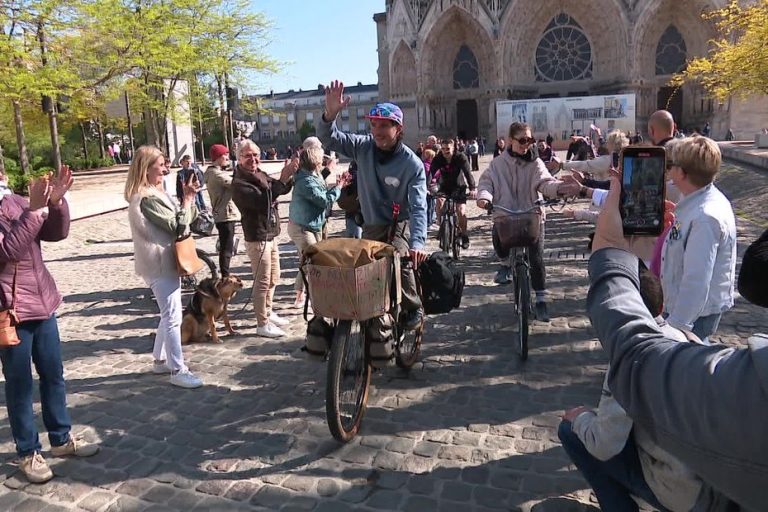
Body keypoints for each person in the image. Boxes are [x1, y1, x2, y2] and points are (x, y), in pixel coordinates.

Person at [586, 177, 768, 511]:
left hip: (687, 492)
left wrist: (610, 253)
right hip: (669, 317)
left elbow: (638, 360)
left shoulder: (706, 214)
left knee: (580, 432)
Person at [559, 265, 704, 511]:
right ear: (660, 306)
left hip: (680, 492)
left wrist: (580, 419)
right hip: (711, 483)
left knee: (570, 431)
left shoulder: (630, 359)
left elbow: (604, 444)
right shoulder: (688, 340)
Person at [0, 166, 100, 484]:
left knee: (54, 375)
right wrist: (34, 209)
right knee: (19, 385)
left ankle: (59, 439)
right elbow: (7, 251)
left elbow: (56, 233)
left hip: (44, 302)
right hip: (11, 310)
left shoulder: (16, 202)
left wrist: (55, 203)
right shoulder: (24, 205)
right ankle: (28, 451)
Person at [317, 80, 428, 333]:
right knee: (362, 270)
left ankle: (414, 307)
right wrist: (330, 114)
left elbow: (419, 206)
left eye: (384, 126)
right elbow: (328, 138)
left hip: (400, 223)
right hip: (371, 223)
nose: (377, 131)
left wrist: (418, 242)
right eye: (374, 125)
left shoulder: (412, 164)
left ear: (398, 129)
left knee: (400, 259)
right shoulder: (363, 146)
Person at [476, 122, 580, 321]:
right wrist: (484, 198)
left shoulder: (535, 163)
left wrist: (559, 189)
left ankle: (541, 300)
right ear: (510, 141)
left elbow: (545, 181)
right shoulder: (497, 164)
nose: (527, 145)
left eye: (530, 140)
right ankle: (505, 264)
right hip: (506, 214)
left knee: (536, 257)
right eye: (522, 140)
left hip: (531, 214)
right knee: (497, 233)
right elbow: (486, 183)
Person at [125, 146, 203, 389]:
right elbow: (177, 226)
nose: (165, 169)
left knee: (168, 313)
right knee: (173, 317)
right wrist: (187, 201)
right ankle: (178, 369)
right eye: (160, 165)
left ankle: (160, 361)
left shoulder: (156, 192)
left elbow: (186, 218)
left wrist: (186, 203)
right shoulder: (147, 198)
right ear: (146, 168)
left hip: (164, 262)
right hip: (160, 263)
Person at [660, 136, 736, 341]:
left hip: (695, 315)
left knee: (688, 365)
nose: (669, 172)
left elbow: (697, 279)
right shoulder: (694, 199)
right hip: (684, 307)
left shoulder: (705, 217)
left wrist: (676, 327)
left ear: (683, 173)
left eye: (672, 166)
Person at [231, 140, 298, 338]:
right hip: (257, 236)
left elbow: (279, 189)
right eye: (247, 156)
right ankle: (262, 323)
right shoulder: (239, 183)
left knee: (274, 277)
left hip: (270, 233)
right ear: (239, 158)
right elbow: (264, 200)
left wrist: (289, 176)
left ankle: (268, 311)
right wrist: (282, 179)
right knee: (262, 281)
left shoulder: (259, 173)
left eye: (255, 155)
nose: (252, 159)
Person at [288, 136, 350, 307]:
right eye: (321, 158)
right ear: (315, 161)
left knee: (307, 260)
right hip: (302, 227)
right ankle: (310, 295)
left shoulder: (312, 175)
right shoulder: (305, 180)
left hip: (314, 223)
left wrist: (338, 183)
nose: (324, 161)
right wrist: (338, 187)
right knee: (313, 259)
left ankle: (301, 293)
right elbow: (323, 200)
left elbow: (321, 187)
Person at [431, 138, 477, 249]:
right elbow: (431, 173)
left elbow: (467, 173)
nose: (445, 152)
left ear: (453, 148)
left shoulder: (460, 157)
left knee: (460, 211)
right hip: (444, 186)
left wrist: (472, 188)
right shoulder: (438, 158)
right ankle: (440, 225)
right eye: (442, 149)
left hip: (458, 186)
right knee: (439, 202)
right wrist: (428, 185)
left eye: (448, 149)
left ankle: (464, 235)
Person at [204, 144, 241, 278]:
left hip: (224, 213)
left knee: (227, 245)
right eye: (224, 155)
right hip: (225, 214)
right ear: (218, 157)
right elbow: (235, 183)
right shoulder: (215, 174)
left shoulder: (213, 172)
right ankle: (225, 276)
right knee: (227, 247)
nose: (227, 157)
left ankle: (225, 272)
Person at [562, 130, 629, 180]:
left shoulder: (606, 160)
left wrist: (563, 165)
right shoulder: (626, 158)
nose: (606, 144)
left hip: (606, 193)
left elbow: (584, 165)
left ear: (611, 144)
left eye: (608, 142)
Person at [338, 160, 364, 239]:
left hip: (352, 210)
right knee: (357, 238)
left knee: (353, 237)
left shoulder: (354, 164)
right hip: (357, 211)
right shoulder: (360, 163)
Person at [421, 149, 437, 227]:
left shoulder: (431, 164)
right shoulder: (425, 165)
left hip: (433, 187)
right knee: (428, 206)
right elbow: (425, 178)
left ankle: (431, 221)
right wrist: (426, 188)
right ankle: (428, 223)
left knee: (432, 205)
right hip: (427, 188)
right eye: (433, 156)